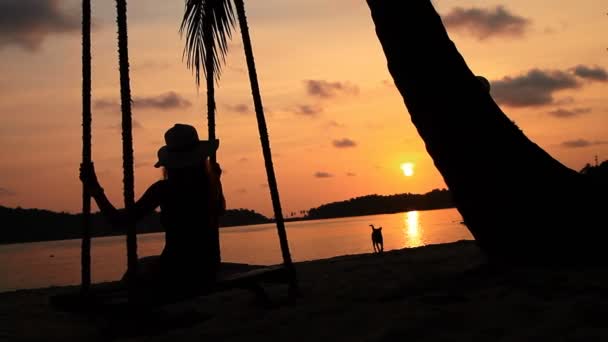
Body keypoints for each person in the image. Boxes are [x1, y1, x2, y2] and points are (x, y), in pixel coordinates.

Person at [80, 123, 226, 295]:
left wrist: (96, 190)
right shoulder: (209, 184)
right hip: (207, 268)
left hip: (178, 271)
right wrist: (217, 179)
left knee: (134, 273)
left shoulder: (165, 189)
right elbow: (220, 210)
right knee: (145, 264)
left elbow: (119, 221)